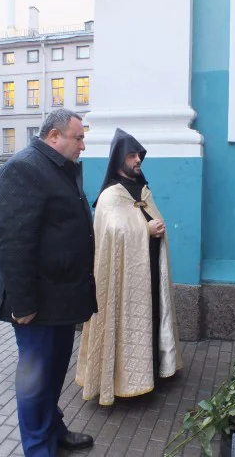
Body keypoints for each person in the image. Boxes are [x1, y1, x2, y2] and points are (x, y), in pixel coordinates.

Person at [0, 108, 97, 456]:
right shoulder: (24, 167)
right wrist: (22, 304)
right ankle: (39, 448)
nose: (82, 144)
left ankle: (53, 429)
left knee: (52, 376)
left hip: (61, 298)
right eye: (78, 137)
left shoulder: (59, 168)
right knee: (35, 382)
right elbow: (12, 242)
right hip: (36, 303)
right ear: (54, 136)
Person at [76, 128, 182, 406]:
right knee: (125, 323)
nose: (138, 160)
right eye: (133, 155)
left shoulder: (143, 191)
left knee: (153, 318)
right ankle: (125, 381)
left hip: (149, 271)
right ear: (119, 158)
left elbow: (145, 218)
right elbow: (112, 232)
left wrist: (155, 229)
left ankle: (155, 372)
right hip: (122, 279)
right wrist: (144, 228)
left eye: (139, 155)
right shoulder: (111, 196)